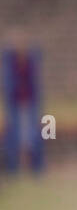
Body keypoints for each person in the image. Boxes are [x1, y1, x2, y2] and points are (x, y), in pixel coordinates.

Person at [1, 31, 44, 175]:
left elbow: (39, 54)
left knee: (36, 134)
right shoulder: (10, 63)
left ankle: (37, 169)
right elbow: (8, 81)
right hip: (14, 103)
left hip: (30, 102)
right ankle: (12, 169)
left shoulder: (31, 61)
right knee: (12, 135)